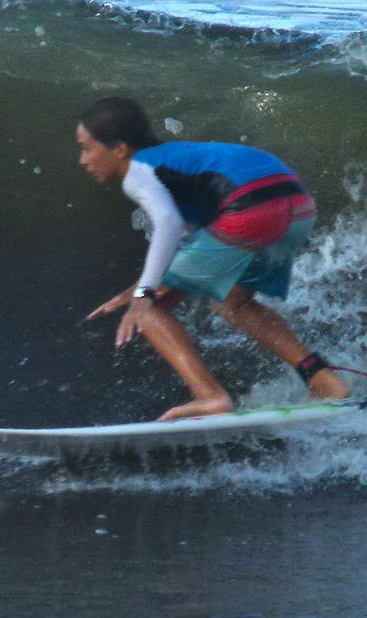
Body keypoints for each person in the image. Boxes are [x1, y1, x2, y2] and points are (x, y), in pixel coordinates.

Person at [78, 97, 349, 421]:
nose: (83, 160)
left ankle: (209, 396)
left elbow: (167, 223)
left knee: (148, 309)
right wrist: (142, 284)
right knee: (236, 303)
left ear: (119, 149)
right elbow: (189, 246)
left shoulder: (139, 171)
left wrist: (143, 294)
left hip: (248, 208)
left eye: (87, 148)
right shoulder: (177, 162)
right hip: (295, 206)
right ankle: (323, 380)